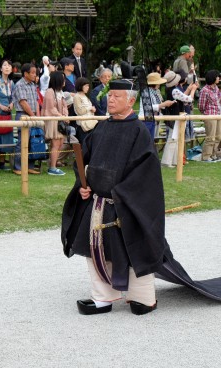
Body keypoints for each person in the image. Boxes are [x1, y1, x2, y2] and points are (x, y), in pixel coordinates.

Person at [61, 79, 221, 317]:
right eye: (110, 95)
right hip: (97, 203)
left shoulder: (139, 131)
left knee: (136, 247)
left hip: (127, 203)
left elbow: (145, 174)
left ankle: (143, 298)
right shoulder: (101, 128)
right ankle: (102, 298)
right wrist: (84, 185)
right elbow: (83, 160)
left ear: (131, 101)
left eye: (116, 96)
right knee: (95, 248)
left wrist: (120, 193)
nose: (110, 100)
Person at [161, 70, 198, 167]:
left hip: (173, 116)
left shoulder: (171, 90)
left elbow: (183, 97)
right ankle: (166, 161)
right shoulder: (175, 90)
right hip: (175, 117)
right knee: (172, 139)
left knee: (174, 139)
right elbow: (188, 99)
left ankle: (173, 161)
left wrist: (189, 89)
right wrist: (193, 90)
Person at [11, 63, 40, 175]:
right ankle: (18, 167)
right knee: (22, 142)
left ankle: (30, 166)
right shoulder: (19, 85)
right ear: (25, 73)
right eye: (32, 73)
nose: (34, 75)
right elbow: (23, 103)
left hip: (32, 115)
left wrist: (37, 115)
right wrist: (32, 116)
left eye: (35, 73)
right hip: (23, 115)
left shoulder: (33, 85)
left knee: (32, 141)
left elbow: (37, 101)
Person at [41, 71, 68, 176]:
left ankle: (53, 165)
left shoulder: (60, 92)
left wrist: (65, 115)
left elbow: (65, 106)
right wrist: (61, 116)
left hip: (60, 121)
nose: (64, 81)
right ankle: (52, 167)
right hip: (53, 120)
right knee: (56, 143)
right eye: (63, 79)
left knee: (60, 143)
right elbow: (51, 108)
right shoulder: (50, 91)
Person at [138, 72, 176, 139]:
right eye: (158, 82)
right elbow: (148, 107)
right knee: (147, 140)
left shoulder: (157, 91)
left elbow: (159, 103)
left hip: (154, 119)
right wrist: (163, 104)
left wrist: (166, 104)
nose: (160, 84)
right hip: (146, 119)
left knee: (151, 140)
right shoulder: (145, 92)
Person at [198, 70, 221, 162]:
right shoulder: (205, 90)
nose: (219, 78)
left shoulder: (216, 89)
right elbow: (201, 106)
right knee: (210, 137)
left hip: (218, 115)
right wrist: (206, 114)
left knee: (218, 137)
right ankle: (206, 156)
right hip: (210, 116)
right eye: (217, 76)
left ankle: (213, 154)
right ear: (213, 78)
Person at [73, 77, 96, 143]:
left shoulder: (85, 96)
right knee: (85, 145)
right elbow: (79, 111)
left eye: (88, 86)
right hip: (83, 126)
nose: (88, 87)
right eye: (86, 86)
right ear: (80, 86)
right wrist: (90, 108)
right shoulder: (77, 96)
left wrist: (92, 109)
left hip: (90, 124)